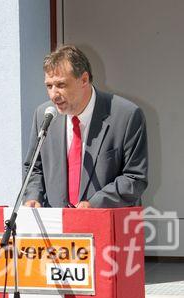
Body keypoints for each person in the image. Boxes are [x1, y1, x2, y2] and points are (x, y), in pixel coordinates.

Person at [24, 45, 148, 208]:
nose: (54, 95)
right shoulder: (44, 115)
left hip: (108, 223)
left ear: (84, 80)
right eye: (49, 86)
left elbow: (135, 178)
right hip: (57, 228)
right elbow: (34, 168)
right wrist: (34, 196)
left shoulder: (126, 115)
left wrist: (94, 204)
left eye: (61, 85)